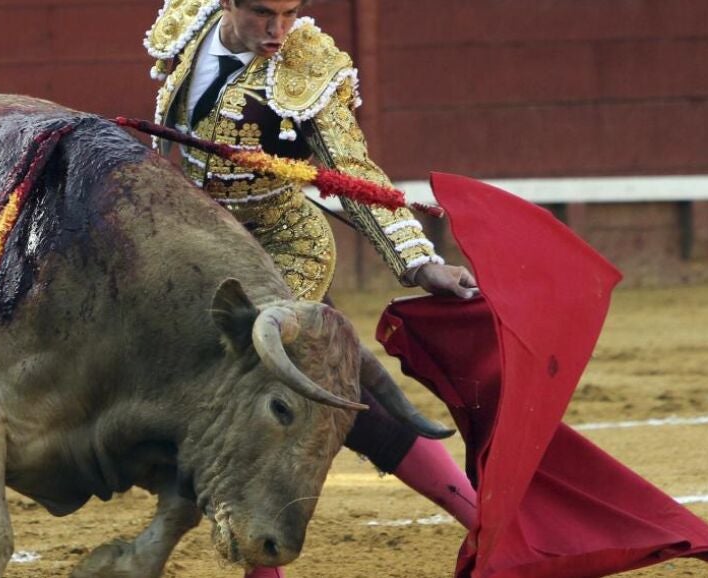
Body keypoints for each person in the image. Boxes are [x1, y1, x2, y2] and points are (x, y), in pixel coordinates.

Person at [144, 1, 478, 575]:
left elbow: (353, 173)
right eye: (263, 14)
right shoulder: (189, 22)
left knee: (287, 390)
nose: (279, 30)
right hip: (202, 250)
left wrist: (421, 262)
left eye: (291, 12)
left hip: (282, 249)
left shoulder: (308, 65)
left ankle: (484, 520)